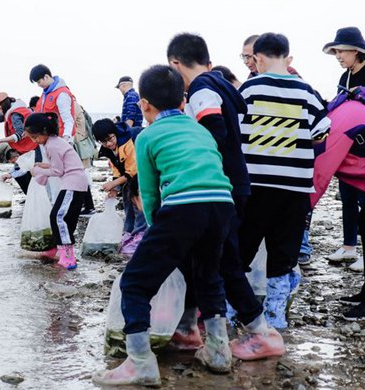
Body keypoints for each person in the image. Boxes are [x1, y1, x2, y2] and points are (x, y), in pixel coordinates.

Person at [93, 65, 236, 386]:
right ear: (183, 102)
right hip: (222, 205)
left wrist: (157, 234)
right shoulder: (200, 130)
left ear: (144, 104)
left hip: (184, 207)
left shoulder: (148, 135)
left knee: (134, 283)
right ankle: (217, 350)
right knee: (208, 275)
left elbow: (149, 192)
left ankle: (140, 360)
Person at [167, 32, 284, 358]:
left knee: (225, 262)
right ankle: (188, 327)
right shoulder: (222, 86)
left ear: (175, 64)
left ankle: (261, 332)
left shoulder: (202, 90)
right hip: (233, 184)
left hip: (221, 188)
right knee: (200, 258)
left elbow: (214, 130)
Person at [237, 33, 331, 329]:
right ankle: (275, 315)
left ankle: (232, 310)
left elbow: (236, 131)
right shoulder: (306, 91)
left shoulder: (249, 89)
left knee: (242, 249)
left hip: (255, 186)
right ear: (287, 58)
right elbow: (322, 131)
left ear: (259, 59)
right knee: (285, 253)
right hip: (294, 188)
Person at [322, 27, 365, 270]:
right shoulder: (344, 77)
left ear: (357, 51)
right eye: (335, 51)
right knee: (346, 195)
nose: (338, 55)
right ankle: (349, 246)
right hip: (348, 146)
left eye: (342, 51)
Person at [24, 112, 89, 270]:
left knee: (58, 216)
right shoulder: (53, 142)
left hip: (72, 183)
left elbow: (58, 171)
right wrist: (43, 166)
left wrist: (39, 172)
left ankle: (68, 256)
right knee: (67, 218)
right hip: (77, 182)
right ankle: (56, 248)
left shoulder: (52, 145)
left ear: (44, 132)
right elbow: (59, 165)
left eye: (34, 137)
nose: (34, 141)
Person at [29, 64, 96, 216]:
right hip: (50, 140)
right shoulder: (46, 94)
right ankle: (62, 204)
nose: (39, 85)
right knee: (60, 175)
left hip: (59, 141)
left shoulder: (61, 94)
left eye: (39, 81)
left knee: (68, 173)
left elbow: (68, 119)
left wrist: (66, 141)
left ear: (47, 76)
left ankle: (82, 206)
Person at [92, 119, 146, 255]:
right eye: (104, 142)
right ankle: (129, 231)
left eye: (110, 139)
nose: (109, 143)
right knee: (127, 197)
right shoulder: (108, 149)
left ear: (115, 133)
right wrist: (114, 189)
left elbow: (133, 170)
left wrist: (113, 184)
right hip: (131, 175)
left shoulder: (128, 142)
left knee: (138, 201)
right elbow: (116, 169)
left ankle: (141, 233)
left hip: (143, 171)